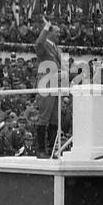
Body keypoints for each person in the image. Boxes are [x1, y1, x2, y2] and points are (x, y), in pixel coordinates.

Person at [34, 16, 64, 158]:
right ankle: (41, 150)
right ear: (50, 33)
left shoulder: (56, 48)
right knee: (44, 118)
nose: (59, 35)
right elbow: (38, 43)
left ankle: (52, 150)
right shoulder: (44, 44)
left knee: (54, 119)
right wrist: (46, 28)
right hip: (46, 85)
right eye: (57, 32)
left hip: (56, 85)